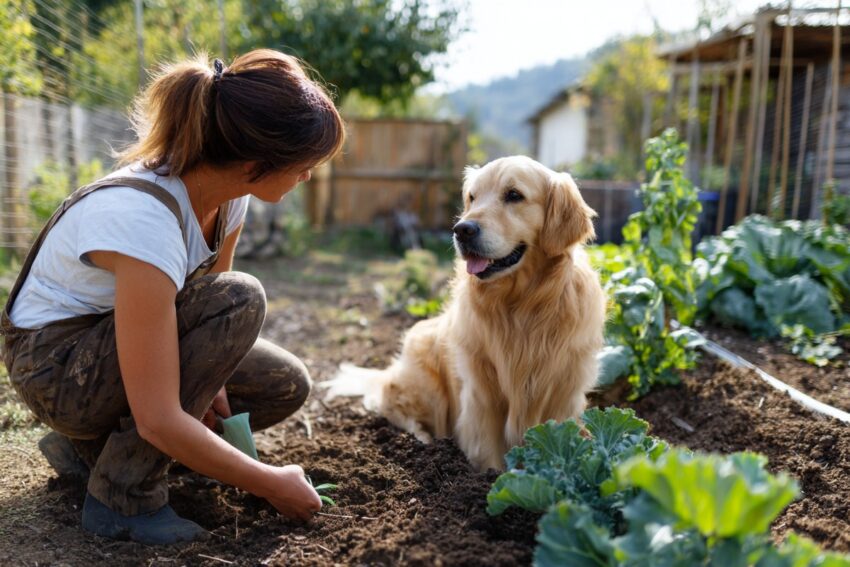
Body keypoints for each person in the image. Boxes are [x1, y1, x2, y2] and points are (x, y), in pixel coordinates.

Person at [0, 49, 345, 545]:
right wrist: (270, 484)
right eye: (304, 165)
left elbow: (207, 316)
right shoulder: (142, 219)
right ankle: (124, 496)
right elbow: (161, 413)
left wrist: (209, 385)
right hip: (55, 368)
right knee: (240, 298)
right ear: (253, 164)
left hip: (111, 346)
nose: (308, 176)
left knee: (283, 383)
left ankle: (90, 453)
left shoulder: (230, 198)